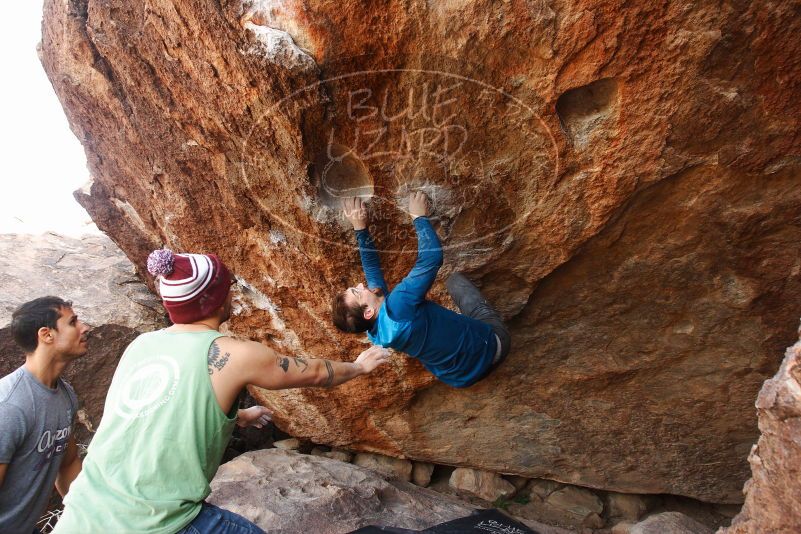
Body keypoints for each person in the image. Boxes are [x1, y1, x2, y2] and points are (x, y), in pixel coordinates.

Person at [55, 250, 389, 534]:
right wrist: (358, 366)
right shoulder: (235, 353)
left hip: (81, 514)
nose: (232, 292)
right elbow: (315, 373)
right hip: (153, 523)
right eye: (228, 286)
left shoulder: (142, 345)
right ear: (214, 300)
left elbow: (160, 410)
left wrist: (239, 416)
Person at [332, 191, 511, 388]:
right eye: (357, 292)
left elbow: (372, 270)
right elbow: (431, 259)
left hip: (460, 378)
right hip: (493, 349)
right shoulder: (399, 304)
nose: (360, 285)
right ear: (368, 311)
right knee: (454, 281)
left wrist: (360, 229)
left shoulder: (377, 332)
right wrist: (419, 217)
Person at [0, 296, 88, 534]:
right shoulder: (9, 407)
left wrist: (91, 516)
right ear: (46, 335)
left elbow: (68, 464)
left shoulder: (64, 393)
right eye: (73, 322)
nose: (84, 327)